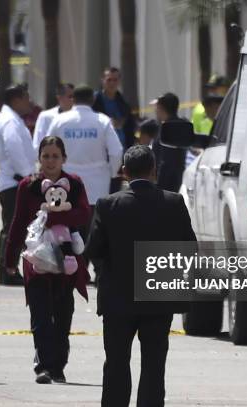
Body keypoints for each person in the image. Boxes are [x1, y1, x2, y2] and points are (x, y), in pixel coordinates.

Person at [85, 145, 197, 407]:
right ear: (154, 170)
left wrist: (109, 270)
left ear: (124, 171)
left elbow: (93, 250)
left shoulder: (108, 204)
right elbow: (190, 247)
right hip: (159, 296)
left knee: (116, 362)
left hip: (117, 298)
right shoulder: (173, 202)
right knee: (154, 365)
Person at [5, 136, 91, 384]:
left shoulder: (74, 184)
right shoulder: (27, 185)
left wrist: (53, 218)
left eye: (55, 156)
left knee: (63, 316)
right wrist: (9, 258)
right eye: (46, 156)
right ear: (39, 158)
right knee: (41, 316)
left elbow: (83, 214)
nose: (50, 161)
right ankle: (43, 365)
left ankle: (58, 366)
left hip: (66, 260)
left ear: (64, 158)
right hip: (37, 259)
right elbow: (19, 222)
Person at [46, 85, 123, 279]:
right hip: (98, 182)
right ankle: (98, 270)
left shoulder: (60, 120)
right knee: (96, 228)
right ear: (92, 100)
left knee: (70, 228)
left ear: (73, 99)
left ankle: (74, 269)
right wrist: (113, 173)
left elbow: (46, 147)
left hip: (67, 182)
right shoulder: (103, 122)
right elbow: (116, 151)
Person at [0, 84, 36, 285]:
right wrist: (29, 176)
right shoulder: (10, 122)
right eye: (26, 98)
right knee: (13, 229)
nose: (29, 102)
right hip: (14, 182)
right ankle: (8, 271)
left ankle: (6, 269)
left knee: (11, 227)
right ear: (16, 100)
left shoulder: (11, 119)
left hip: (11, 181)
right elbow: (14, 150)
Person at [151, 92, 192, 193]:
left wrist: (158, 183)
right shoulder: (182, 124)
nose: (155, 110)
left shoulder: (167, 129)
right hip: (178, 178)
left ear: (161, 108)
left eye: (156, 107)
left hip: (166, 183)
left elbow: (166, 160)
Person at [92, 67, 136, 151]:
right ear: (102, 80)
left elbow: (130, 128)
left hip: (121, 151)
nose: (112, 83)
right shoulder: (93, 101)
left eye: (115, 80)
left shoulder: (124, 103)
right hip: (100, 151)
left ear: (119, 81)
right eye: (109, 80)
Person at [32, 83, 75, 152]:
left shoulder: (78, 118)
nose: (73, 100)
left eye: (75, 97)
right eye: (70, 96)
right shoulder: (46, 116)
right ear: (59, 97)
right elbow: (38, 143)